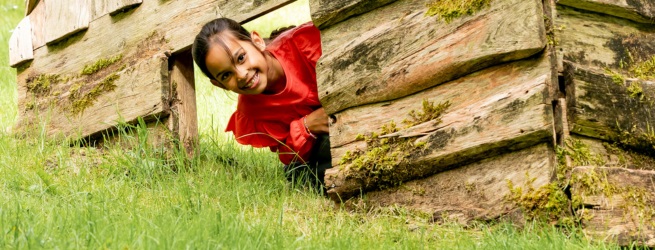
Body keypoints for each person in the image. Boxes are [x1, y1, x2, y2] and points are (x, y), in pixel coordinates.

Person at [192, 18, 331, 191]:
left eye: (241, 58)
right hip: (313, 152)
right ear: (219, 85)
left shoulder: (305, 43)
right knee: (300, 173)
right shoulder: (251, 113)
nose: (241, 75)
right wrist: (306, 126)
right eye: (226, 75)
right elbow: (289, 156)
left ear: (257, 42)